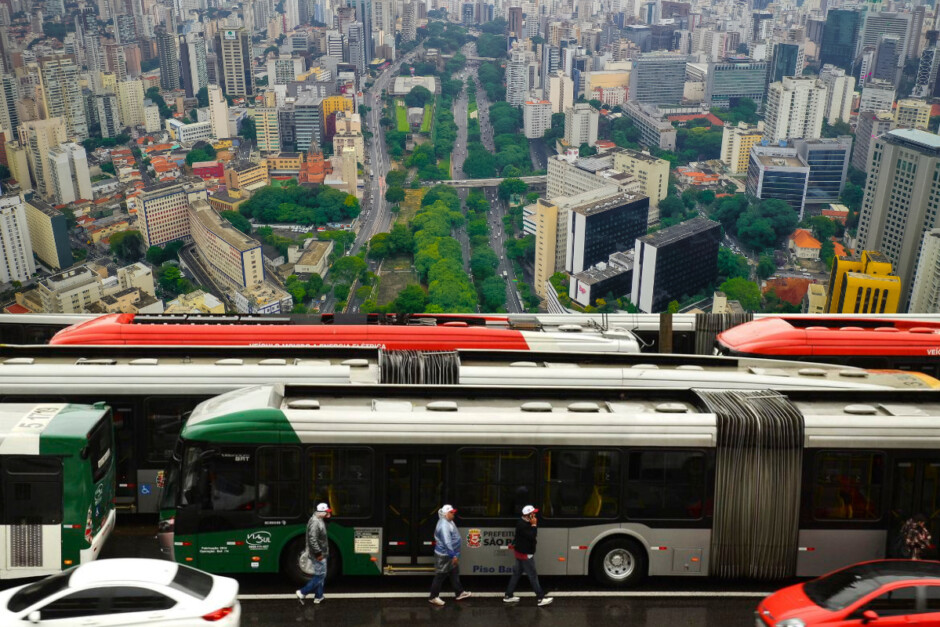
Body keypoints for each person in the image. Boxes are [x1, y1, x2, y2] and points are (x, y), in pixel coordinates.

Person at [504, 505, 553, 607]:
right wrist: (534, 525)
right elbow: (532, 536)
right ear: (528, 515)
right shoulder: (524, 525)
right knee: (533, 576)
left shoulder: (522, 522)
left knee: (516, 574)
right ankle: (541, 598)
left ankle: (508, 596)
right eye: (533, 513)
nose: (535, 514)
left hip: (519, 553)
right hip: (525, 555)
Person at [429, 504, 472, 606]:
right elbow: (447, 543)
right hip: (445, 555)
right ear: (445, 514)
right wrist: (453, 556)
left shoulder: (449, 521)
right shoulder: (444, 525)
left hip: (450, 554)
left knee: (454, 572)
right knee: (440, 576)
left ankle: (459, 593)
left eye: (453, 512)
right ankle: (433, 597)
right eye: (451, 512)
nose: (453, 514)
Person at [296, 503, 331, 604]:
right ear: (321, 512)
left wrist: (327, 516)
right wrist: (318, 553)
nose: (328, 513)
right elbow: (312, 540)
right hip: (318, 554)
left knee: (320, 574)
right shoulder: (316, 523)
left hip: (320, 553)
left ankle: (318, 596)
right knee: (320, 575)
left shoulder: (319, 520)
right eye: (327, 512)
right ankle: (302, 592)